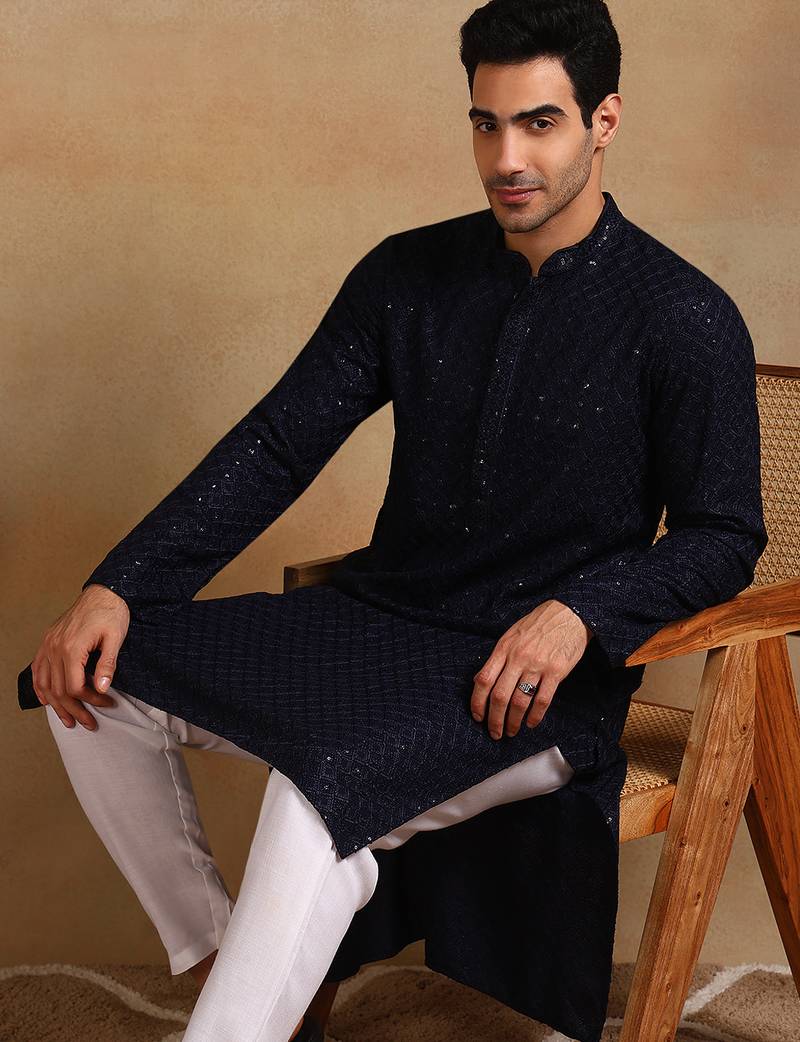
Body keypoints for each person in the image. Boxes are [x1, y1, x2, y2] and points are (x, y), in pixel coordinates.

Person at [17, 1, 767, 1040]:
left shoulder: (684, 316)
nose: (506, 158)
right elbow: (277, 443)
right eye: (485, 124)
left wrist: (579, 614)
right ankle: (232, 971)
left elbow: (725, 535)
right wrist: (119, 582)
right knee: (88, 677)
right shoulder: (405, 275)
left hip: (533, 684)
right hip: (377, 619)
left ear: (604, 120)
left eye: (539, 123)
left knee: (319, 788)